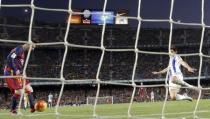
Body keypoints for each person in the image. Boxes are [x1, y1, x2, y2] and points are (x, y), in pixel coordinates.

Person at [3, 43, 36, 114]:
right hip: (11, 73)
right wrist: (15, 69)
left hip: (18, 74)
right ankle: (13, 110)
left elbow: (18, 63)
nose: (33, 49)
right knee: (19, 92)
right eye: (33, 47)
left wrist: (23, 73)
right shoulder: (19, 49)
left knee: (29, 88)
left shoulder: (22, 51)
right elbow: (11, 58)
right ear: (29, 45)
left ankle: (32, 107)